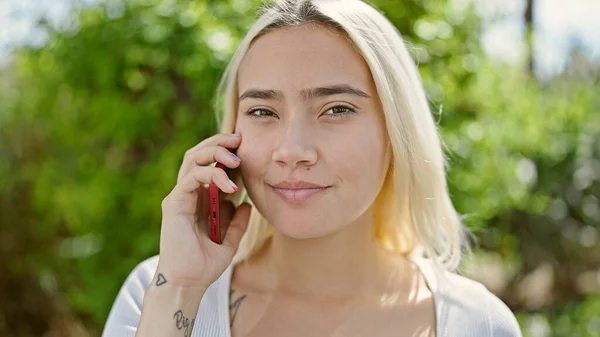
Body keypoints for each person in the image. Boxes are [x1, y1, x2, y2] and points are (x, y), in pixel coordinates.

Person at [102, 0, 523, 336]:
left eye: (336, 108)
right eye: (263, 111)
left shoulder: (477, 324)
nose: (292, 150)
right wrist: (179, 290)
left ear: (397, 131)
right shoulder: (156, 292)